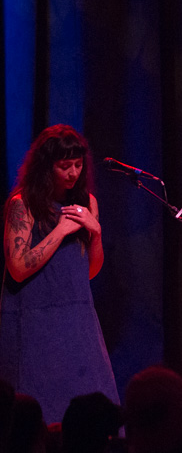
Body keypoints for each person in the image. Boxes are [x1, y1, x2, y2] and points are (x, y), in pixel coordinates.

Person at [1, 124, 118, 424]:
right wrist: (60, 231)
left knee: (88, 406)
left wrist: (96, 233)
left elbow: (89, 271)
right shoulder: (23, 205)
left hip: (77, 317)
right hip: (35, 318)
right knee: (39, 410)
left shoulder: (87, 203)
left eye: (78, 165)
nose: (73, 173)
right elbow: (17, 267)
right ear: (46, 166)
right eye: (64, 166)